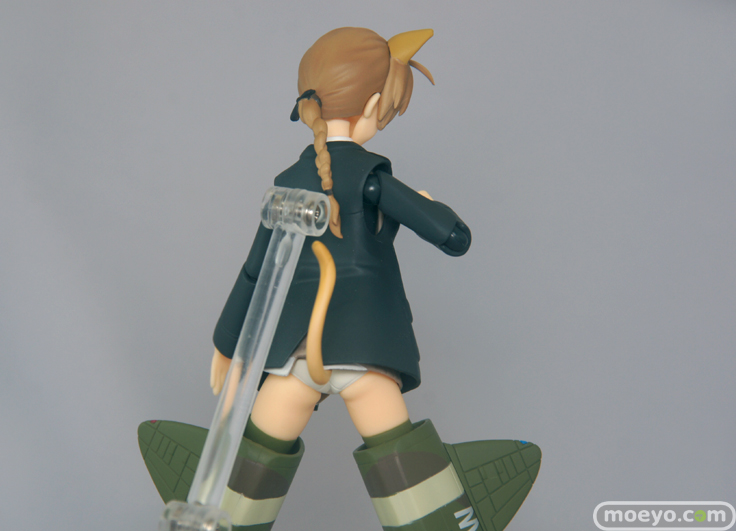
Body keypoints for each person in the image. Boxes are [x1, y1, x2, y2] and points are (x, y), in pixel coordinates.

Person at [140, 28, 539, 531]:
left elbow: (254, 270)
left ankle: (223, 515)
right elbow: (455, 238)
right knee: (403, 460)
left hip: (294, 354)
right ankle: (442, 519)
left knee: (255, 457)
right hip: (361, 349)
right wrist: (429, 205)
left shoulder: (286, 181)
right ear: (373, 104)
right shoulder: (373, 180)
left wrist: (227, 346)